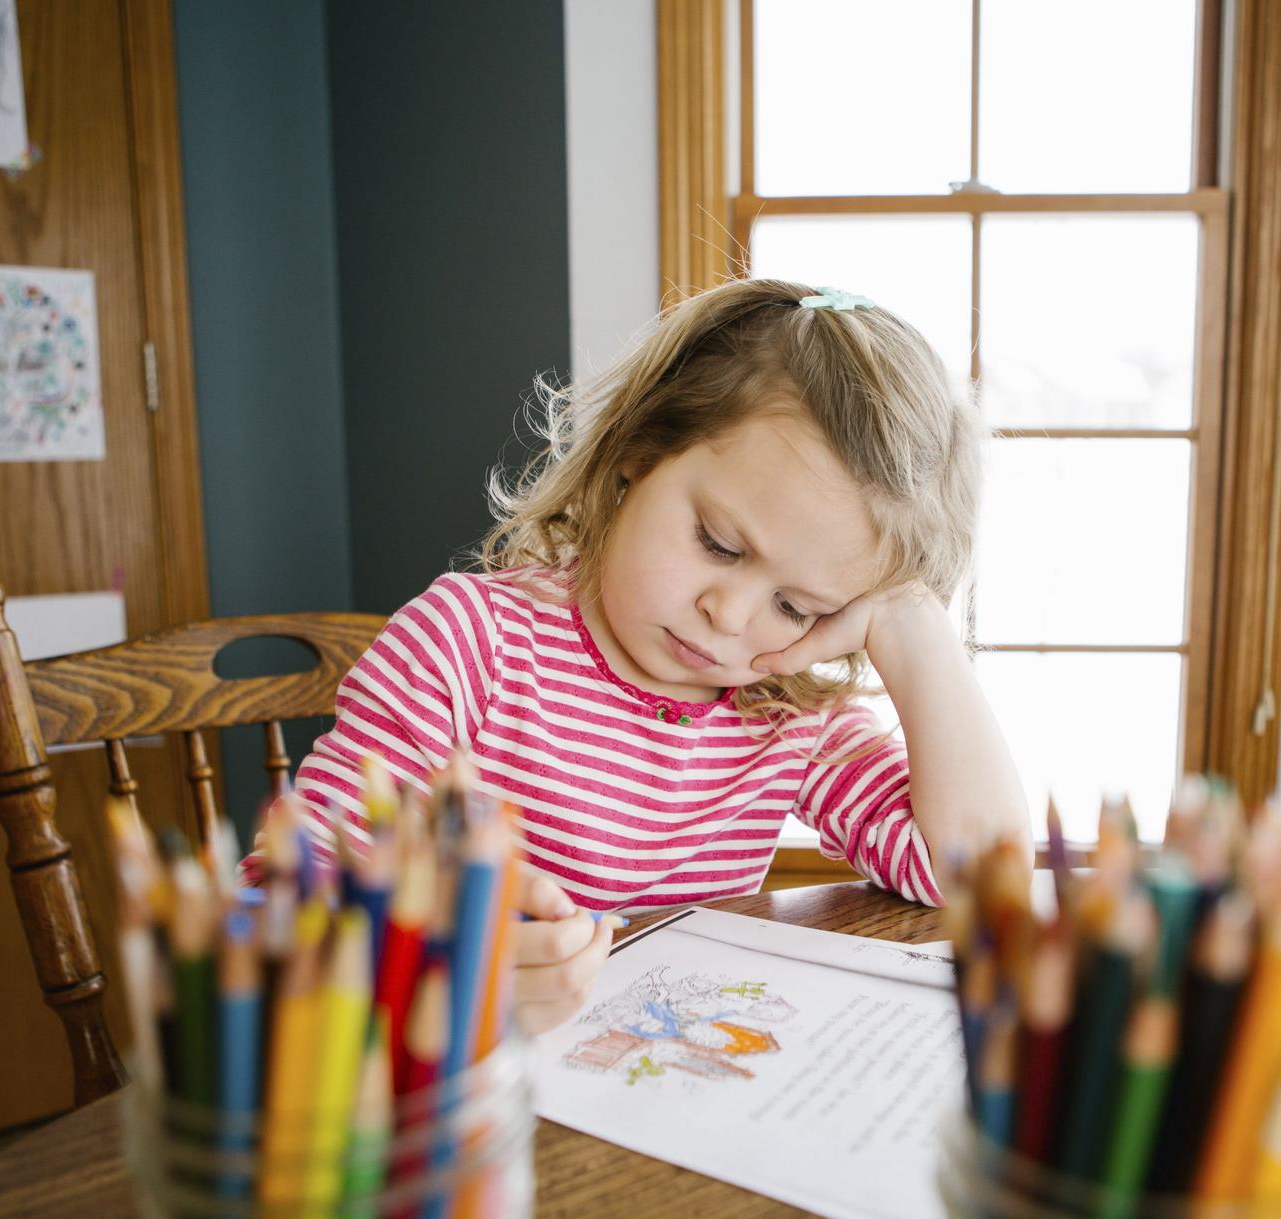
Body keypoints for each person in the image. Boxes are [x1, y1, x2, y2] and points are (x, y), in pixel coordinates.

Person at [290, 277, 1027, 1032]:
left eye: (795, 606)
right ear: (641, 449)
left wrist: (916, 630)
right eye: (719, 543)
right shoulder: (468, 646)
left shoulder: (784, 710)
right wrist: (445, 963)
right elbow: (288, 895)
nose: (730, 614)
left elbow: (980, 878)